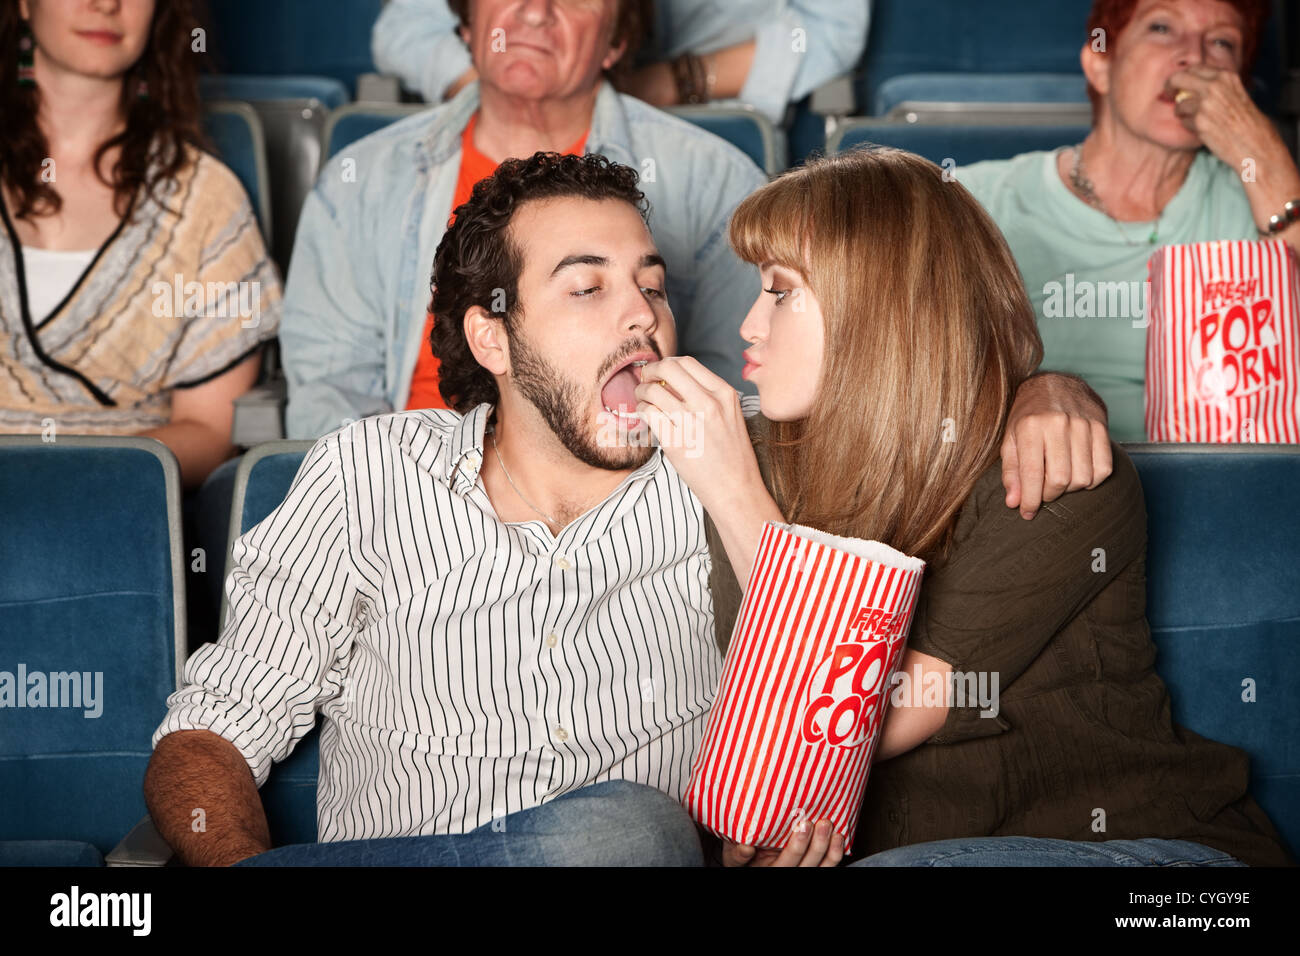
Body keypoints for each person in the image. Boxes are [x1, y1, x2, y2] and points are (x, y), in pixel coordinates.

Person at [145, 151, 1109, 866]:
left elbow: (905, 392)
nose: (641, 314)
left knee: (626, 834)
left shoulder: (750, 459)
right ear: (492, 334)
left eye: (652, 285)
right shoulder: (369, 472)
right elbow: (210, 734)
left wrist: (1044, 387)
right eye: (588, 288)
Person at [634, 145, 1291, 867]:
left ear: (880, 306)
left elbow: (835, 725)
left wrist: (734, 497)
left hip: (1148, 859)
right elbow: (773, 770)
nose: (748, 327)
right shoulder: (760, 460)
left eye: (782, 292)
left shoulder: (1052, 471)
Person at [279, 0, 768, 441]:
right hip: (406, 486)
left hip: (623, 488)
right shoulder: (359, 181)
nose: (535, 12)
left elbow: (738, 391)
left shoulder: (715, 182)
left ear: (616, 41)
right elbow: (329, 388)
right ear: (467, 25)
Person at [955, 0, 1299, 442]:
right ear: (1100, 66)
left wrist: (1260, 151)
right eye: (1161, 27)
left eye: (1221, 41)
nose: (1193, 56)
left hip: (1223, 487)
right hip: (1033, 488)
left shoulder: (1261, 199)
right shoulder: (977, 199)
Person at [0, 0, 281, 488]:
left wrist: (67, 481)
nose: (106, 4)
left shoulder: (207, 200)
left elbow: (211, 431)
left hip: (116, 517)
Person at [372, 0, 871, 126]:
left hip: (704, 116)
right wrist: (516, 91)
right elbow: (405, 29)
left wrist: (666, 84)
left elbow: (829, 29)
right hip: (512, 117)